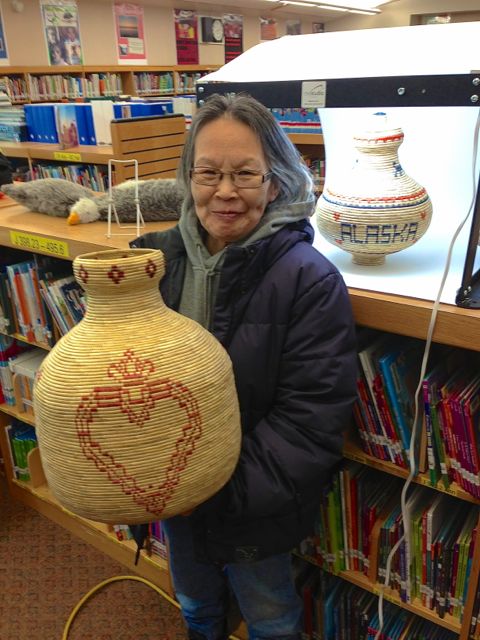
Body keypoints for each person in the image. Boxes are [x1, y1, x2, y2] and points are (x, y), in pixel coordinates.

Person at [130, 93, 358, 640]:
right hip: (173, 493)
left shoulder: (309, 280)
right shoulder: (152, 262)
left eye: (245, 175)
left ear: (275, 182)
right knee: (193, 598)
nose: (225, 192)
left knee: (271, 615)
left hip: (251, 502)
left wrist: (211, 491)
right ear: (188, 179)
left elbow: (308, 420)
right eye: (208, 173)